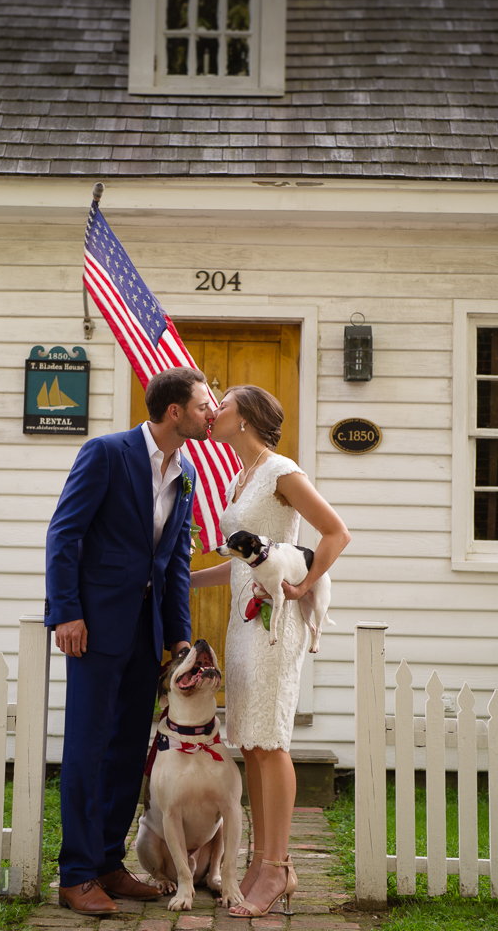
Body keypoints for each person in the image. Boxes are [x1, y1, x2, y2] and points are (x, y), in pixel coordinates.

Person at [45, 367, 214, 915]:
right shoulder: (107, 453)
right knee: (88, 749)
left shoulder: (184, 471)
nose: (211, 411)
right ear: (174, 412)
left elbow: (176, 560)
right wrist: (66, 612)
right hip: (93, 628)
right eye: (203, 403)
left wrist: (179, 641)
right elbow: (64, 533)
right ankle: (75, 875)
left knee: (125, 754)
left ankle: (107, 865)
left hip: (148, 635)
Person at [189, 385, 350, 918]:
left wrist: (305, 587)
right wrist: (184, 580)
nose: (215, 410)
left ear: (248, 417)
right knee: (251, 741)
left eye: (225, 404)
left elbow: (335, 532)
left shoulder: (282, 471)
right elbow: (240, 564)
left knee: (273, 739)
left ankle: (277, 867)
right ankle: (261, 863)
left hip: (276, 623)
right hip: (242, 622)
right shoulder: (243, 477)